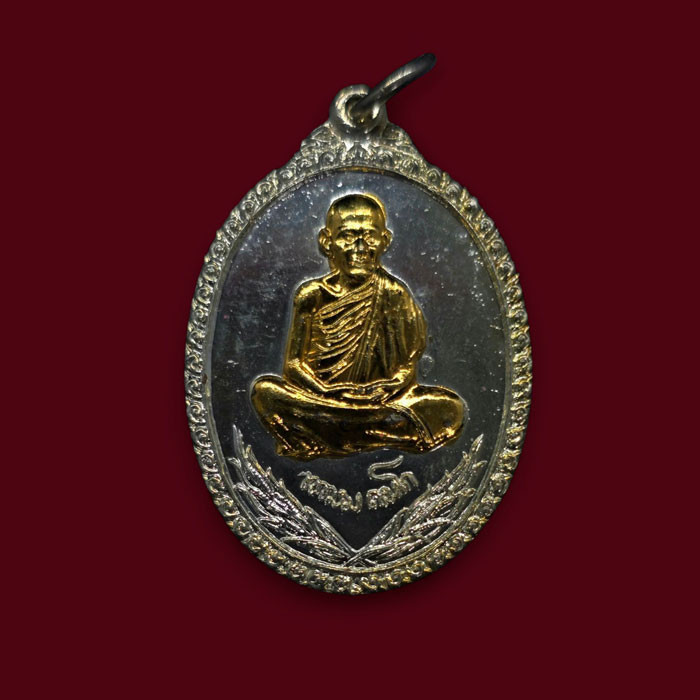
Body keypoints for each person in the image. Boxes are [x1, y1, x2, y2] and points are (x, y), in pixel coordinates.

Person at [251, 193, 465, 460]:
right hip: (322, 399)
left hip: (378, 403)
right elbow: (293, 365)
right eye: (348, 236)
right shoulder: (311, 295)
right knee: (265, 392)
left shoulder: (394, 294)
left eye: (370, 236)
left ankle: (329, 434)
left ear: (385, 240)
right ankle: (367, 435)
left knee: (450, 408)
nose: (360, 247)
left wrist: (389, 387)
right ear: (327, 241)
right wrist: (326, 391)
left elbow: (407, 367)